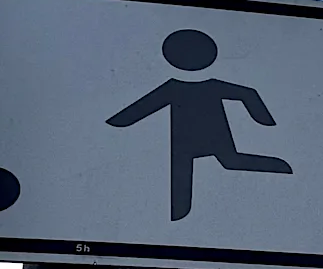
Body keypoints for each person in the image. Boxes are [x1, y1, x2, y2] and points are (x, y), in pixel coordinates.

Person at [107, 30, 292, 221]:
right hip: (190, 138)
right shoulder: (186, 87)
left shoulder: (180, 88)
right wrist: (262, 119)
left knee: (220, 163)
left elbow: (247, 93)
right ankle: (179, 215)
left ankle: (280, 167)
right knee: (200, 168)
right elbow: (248, 94)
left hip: (200, 136)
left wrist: (264, 119)